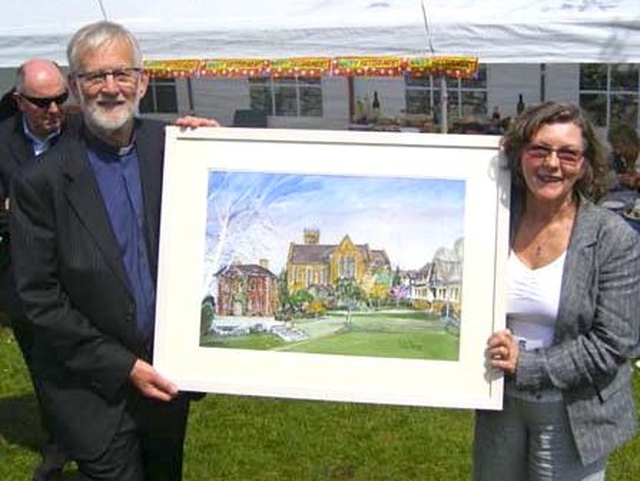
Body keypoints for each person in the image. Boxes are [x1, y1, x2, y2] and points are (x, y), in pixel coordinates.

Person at [9, 21, 217, 481]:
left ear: (143, 81)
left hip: (167, 378)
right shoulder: (40, 182)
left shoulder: (174, 149)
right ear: (75, 88)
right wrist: (124, 367)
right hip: (91, 390)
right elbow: (38, 299)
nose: (110, 88)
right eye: (94, 77)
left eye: (122, 74)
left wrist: (218, 152)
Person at [473, 101, 640, 481]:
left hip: (575, 409)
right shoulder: (493, 221)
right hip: (499, 402)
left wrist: (526, 365)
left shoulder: (613, 239)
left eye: (568, 153)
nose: (552, 163)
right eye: (540, 150)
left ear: (584, 165)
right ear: (520, 156)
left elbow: (614, 343)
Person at [0, 58, 72, 481]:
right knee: (43, 362)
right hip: (23, 274)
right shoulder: (1, 143)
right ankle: (57, 443)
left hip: (81, 269)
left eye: (60, 99)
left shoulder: (83, 132)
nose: (54, 111)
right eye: (42, 103)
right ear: (18, 101)